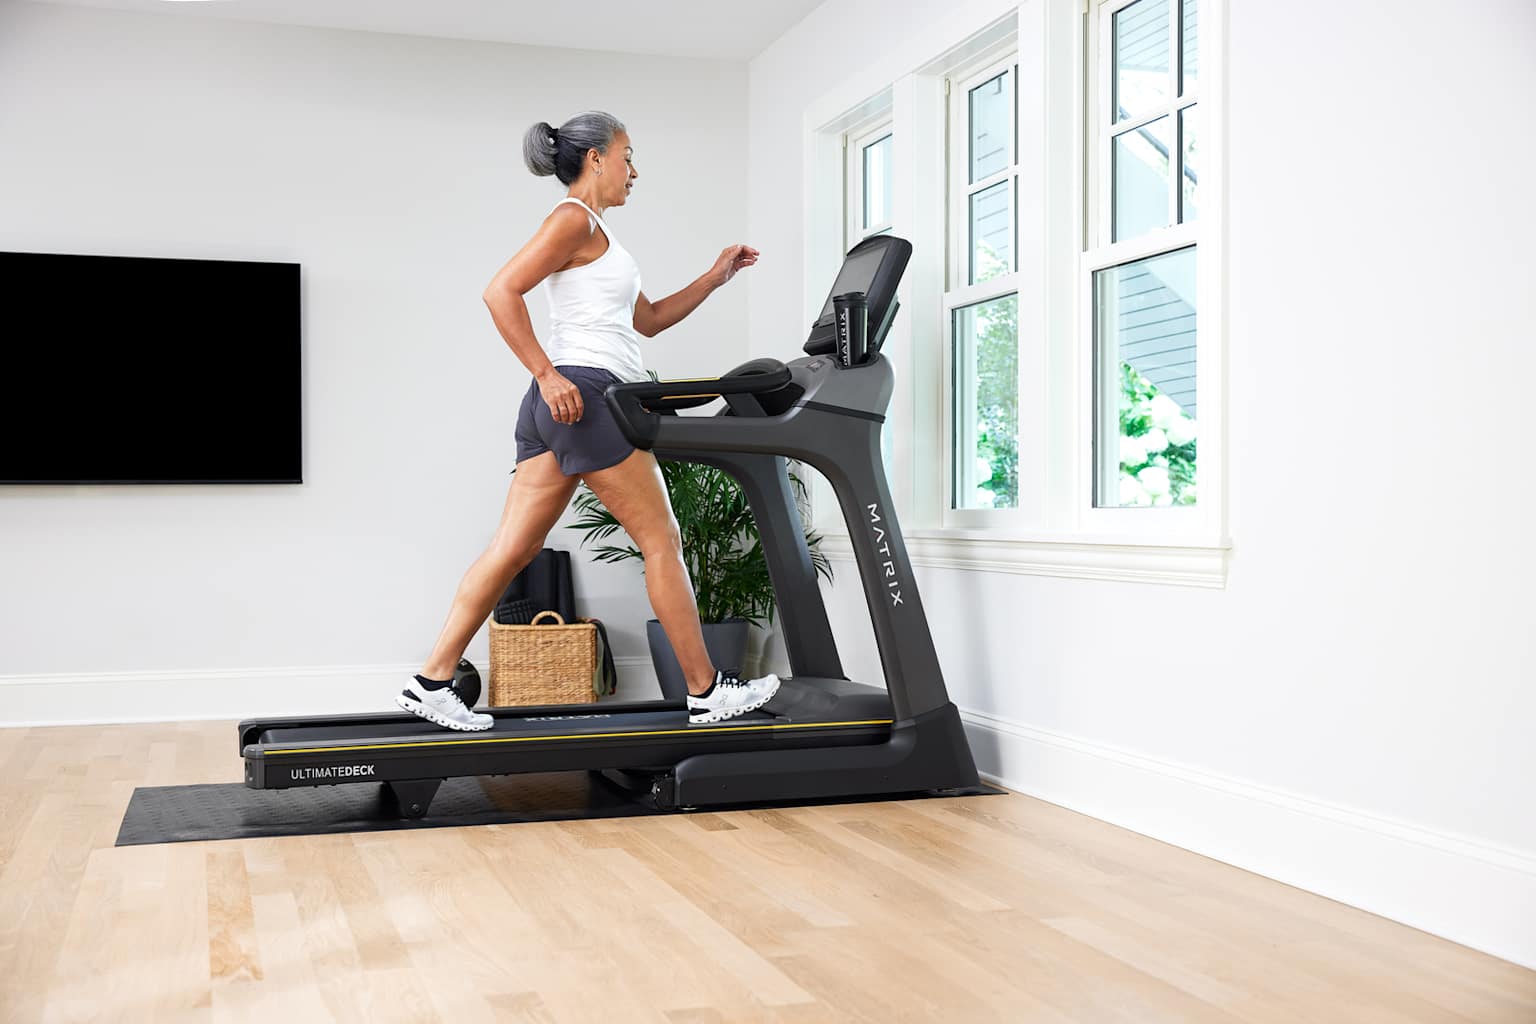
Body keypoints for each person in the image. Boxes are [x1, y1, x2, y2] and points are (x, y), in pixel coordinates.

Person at [397, 111, 780, 732]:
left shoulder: (597, 232)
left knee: (513, 548)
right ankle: (706, 691)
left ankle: (432, 682)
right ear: (596, 158)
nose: (635, 171)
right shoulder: (572, 219)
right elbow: (500, 291)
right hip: (585, 396)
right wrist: (548, 374)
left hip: (563, 403)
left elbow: (649, 320)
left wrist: (716, 277)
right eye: (628, 156)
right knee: (662, 540)